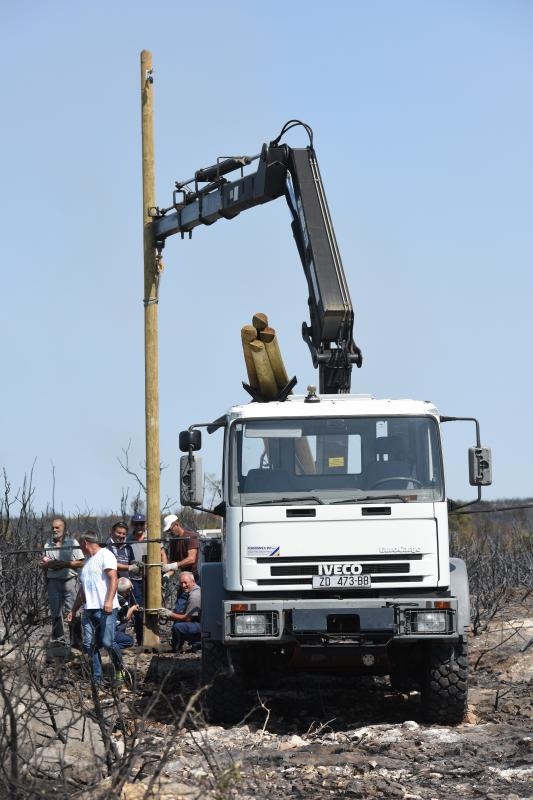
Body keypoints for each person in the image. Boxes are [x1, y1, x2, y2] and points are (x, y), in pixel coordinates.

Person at [66, 531, 124, 687]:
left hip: (105, 608)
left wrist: (109, 601)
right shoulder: (86, 561)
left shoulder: (106, 555)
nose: (80, 548)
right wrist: (73, 610)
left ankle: (120, 670)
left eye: (80, 545)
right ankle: (97, 679)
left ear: (85, 543)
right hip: (89, 610)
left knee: (107, 642)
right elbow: (82, 591)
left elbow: (113, 578)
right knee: (89, 645)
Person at [41, 517, 84, 646]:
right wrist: (48, 565)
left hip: (70, 581)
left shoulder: (72, 542)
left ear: (64, 529)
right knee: (55, 612)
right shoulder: (47, 544)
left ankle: (76, 641)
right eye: (53, 527)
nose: (54, 530)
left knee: (73, 611)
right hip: (53, 581)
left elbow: (81, 562)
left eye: (57, 527)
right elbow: (43, 562)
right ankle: (58, 640)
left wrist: (64, 564)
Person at [127, 513, 167, 645]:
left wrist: (165, 571)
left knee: (154, 608)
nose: (139, 526)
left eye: (141, 523)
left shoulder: (152, 538)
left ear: (145, 524)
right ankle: (140, 639)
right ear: (133, 525)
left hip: (152, 579)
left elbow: (162, 555)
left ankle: (154, 638)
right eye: (136, 524)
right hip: (135, 580)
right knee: (138, 611)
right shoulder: (128, 540)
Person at [159, 571, 201, 653]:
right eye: (181, 583)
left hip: (202, 627)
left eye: (185, 583)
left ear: (193, 581)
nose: (183, 586)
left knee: (178, 627)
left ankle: (177, 648)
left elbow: (187, 618)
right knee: (178, 617)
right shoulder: (192, 591)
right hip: (198, 621)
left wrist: (169, 614)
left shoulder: (194, 596)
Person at [161, 515, 200, 583]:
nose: (169, 532)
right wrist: (168, 574)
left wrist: (173, 565)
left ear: (177, 524)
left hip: (195, 577)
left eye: (170, 529)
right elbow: (173, 563)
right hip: (183, 577)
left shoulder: (191, 536)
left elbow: (191, 559)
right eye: (168, 531)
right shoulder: (173, 541)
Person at [115, 577, 139, 649]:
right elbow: (125, 618)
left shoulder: (112, 597)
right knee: (130, 641)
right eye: (129, 589)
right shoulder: (123, 601)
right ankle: (114, 647)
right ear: (126, 591)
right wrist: (132, 609)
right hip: (115, 628)